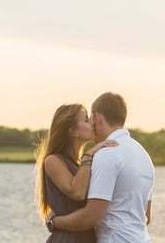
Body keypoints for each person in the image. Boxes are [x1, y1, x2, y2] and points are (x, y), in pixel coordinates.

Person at [46, 92, 155, 243]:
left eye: (90, 118)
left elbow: (92, 217)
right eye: (86, 120)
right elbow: (146, 217)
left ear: (98, 118)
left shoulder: (107, 154)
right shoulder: (143, 155)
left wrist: (54, 222)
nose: (91, 123)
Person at [35, 103, 118, 243]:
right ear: (74, 131)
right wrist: (88, 155)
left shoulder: (81, 165)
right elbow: (77, 192)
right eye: (86, 120)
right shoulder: (53, 160)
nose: (92, 122)